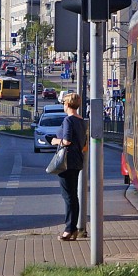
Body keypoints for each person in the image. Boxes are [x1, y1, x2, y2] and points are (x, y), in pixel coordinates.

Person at [50, 92, 86, 241]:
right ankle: (73, 229)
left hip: (66, 161)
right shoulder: (81, 120)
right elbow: (83, 143)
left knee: (68, 196)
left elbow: (67, 141)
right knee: (73, 196)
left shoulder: (68, 120)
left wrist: (54, 141)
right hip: (77, 160)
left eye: (64, 103)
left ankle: (69, 229)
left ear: (67, 104)